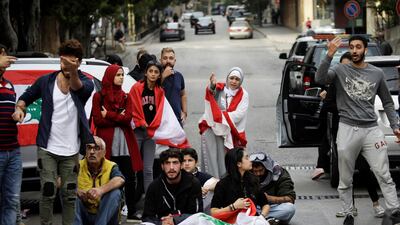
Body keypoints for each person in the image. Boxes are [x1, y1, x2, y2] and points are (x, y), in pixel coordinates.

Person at [315, 35, 400, 225]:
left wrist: (395, 126)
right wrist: (329, 54)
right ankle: (348, 214)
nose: (354, 50)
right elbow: (320, 78)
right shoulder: (339, 69)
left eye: (358, 47)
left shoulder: (377, 73)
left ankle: (394, 212)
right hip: (347, 129)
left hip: (372, 130)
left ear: (365, 50)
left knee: (383, 174)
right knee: (345, 178)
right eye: (351, 47)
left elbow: (387, 102)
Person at [12, 39, 95, 225]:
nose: (65, 66)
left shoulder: (85, 82)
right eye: (63, 62)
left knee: (69, 195)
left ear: (79, 62)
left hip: (71, 150)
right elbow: (26, 97)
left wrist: (72, 70)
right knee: (48, 191)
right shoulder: (46, 81)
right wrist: (20, 108)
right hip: (47, 148)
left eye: (71, 62)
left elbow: (79, 89)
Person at [90, 64, 143, 222]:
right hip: (107, 144)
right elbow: (98, 120)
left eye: (122, 75)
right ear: (110, 76)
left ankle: (131, 210)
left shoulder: (126, 96)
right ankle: (109, 211)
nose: (121, 77)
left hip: (125, 144)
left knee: (129, 178)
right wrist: (118, 116)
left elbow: (128, 119)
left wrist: (110, 115)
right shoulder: (99, 97)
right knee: (106, 177)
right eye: (118, 75)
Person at [198, 67, 249, 178]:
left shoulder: (244, 94)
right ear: (227, 78)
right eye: (231, 78)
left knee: (227, 161)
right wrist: (212, 85)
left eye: (237, 79)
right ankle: (212, 183)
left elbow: (239, 115)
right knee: (213, 158)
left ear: (241, 81)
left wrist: (219, 117)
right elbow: (211, 92)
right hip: (214, 129)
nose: (234, 81)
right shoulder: (220, 88)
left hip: (231, 132)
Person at [142, 148, 203, 224]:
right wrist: (161, 223)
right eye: (167, 163)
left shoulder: (193, 183)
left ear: (181, 165)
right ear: (162, 166)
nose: (171, 167)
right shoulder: (154, 186)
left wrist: (175, 219)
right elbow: (147, 217)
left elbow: (197, 215)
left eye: (175, 163)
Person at [74, 136, 125, 225]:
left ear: (104, 152)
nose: (92, 152)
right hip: (84, 214)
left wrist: (100, 190)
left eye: (97, 148)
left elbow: (120, 180)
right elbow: (59, 180)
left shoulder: (111, 166)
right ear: (85, 151)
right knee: (69, 192)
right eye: (89, 148)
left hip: (105, 216)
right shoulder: (78, 165)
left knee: (116, 193)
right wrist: (76, 191)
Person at [210, 148, 270, 221]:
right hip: (231, 221)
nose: (250, 160)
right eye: (246, 158)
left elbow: (265, 204)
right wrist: (233, 206)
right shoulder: (223, 184)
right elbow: (214, 212)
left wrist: (261, 218)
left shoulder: (254, 180)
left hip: (252, 220)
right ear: (239, 164)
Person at [0, 43, 21, 225]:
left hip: (13, 151)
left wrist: (17, 114)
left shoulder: (9, 84)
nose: (6, 57)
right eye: (2, 54)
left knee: (12, 200)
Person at [249, 152, 296, 224]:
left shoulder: (279, 173)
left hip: (273, 207)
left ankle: (260, 219)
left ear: (267, 168)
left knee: (290, 208)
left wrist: (268, 198)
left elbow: (290, 198)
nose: (258, 174)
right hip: (254, 207)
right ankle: (266, 220)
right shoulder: (247, 173)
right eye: (255, 171)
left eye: (261, 170)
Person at [181, 148, 219, 213]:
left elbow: (220, 184)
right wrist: (196, 189)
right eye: (184, 161)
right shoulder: (176, 176)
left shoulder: (201, 176)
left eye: (190, 160)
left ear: (196, 162)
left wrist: (207, 188)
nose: (186, 164)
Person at [160, 47, 187, 126]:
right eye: (165, 58)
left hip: (177, 121)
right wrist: (163, 76)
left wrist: (184, 112)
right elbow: (152, 90)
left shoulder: (179, 76)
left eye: (171, 58)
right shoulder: (156, 76)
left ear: (174, 61)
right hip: (161, 121)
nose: (168, 61)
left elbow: (183, 94)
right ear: (160, 60)